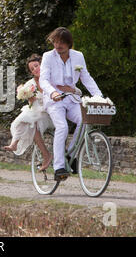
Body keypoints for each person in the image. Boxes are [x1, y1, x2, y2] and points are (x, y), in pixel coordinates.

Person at [39, 27, 102, 181]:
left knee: (85, 120)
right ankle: (59, 166)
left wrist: (99, 96)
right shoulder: (48, 56)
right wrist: (52, 92)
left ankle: (70, 155)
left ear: (69, 44)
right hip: (54, 100)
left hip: (72, 98)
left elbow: (86, 77)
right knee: (63, 127)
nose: (58, 45)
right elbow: (43, 79)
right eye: (55, 42)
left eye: (61, 42)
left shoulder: (78, 56)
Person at [3, 54, 55, 171]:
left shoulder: (51, 79)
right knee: (27, 120)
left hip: (49, 114)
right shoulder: (30, 84)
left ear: (42, 64)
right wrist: (29, 99)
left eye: (36, 66)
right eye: (32, 69)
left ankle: (46, 155)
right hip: (36, 113)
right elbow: (31, 104)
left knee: (32, 122)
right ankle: (15, 143)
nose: (35, 69)